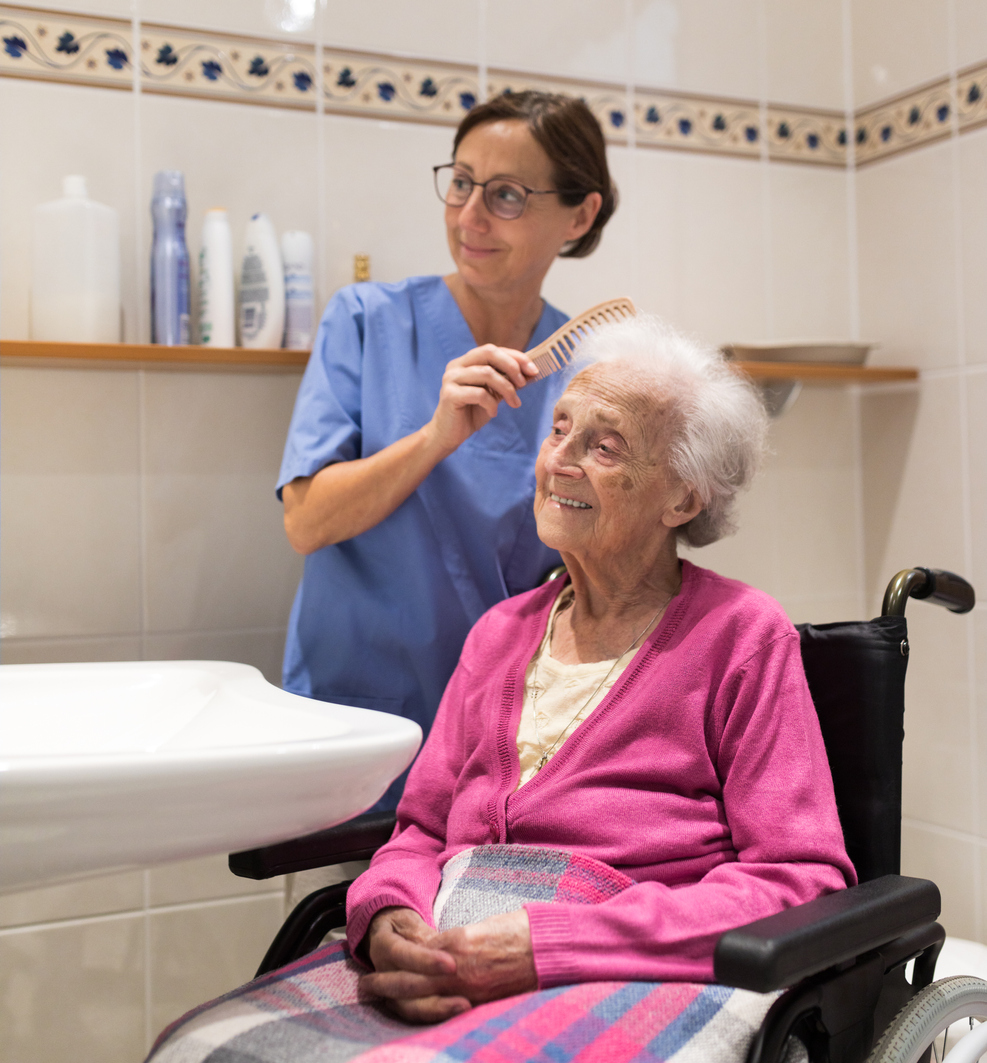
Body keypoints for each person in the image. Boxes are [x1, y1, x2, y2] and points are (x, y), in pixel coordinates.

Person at [147, 316, 856, 1063]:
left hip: (631, 964)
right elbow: (419, 831)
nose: (560, 462)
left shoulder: (741, 634)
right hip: (450, 938)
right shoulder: (499, 633)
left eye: (603, 444)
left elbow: (797, 874)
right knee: (200, 1046)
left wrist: (549, 940)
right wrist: (390, 917)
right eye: (558, 430)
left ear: (681, 498)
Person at [277, 91, 615, 810]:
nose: (469, 217)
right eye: (460, 183)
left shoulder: (587, 366)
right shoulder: (366, 321)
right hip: (360, 721)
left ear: (578, 215)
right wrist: (435, 438)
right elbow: (305, 521)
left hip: (514, 737)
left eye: (506, 195)